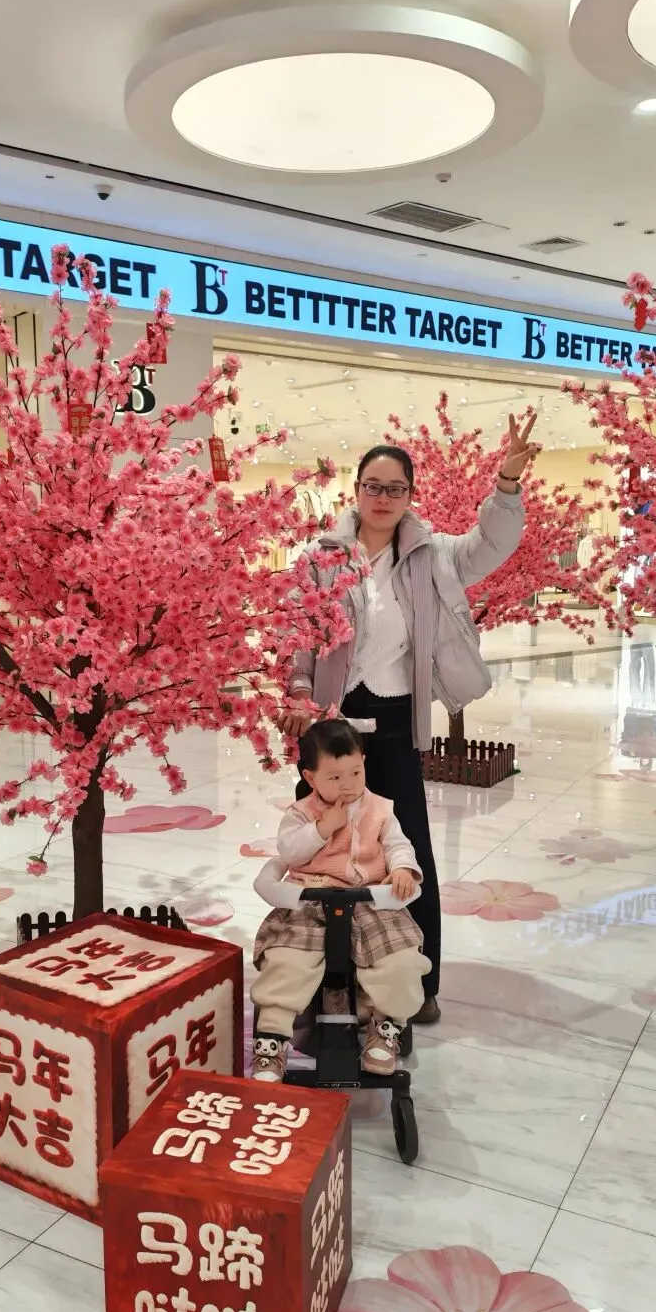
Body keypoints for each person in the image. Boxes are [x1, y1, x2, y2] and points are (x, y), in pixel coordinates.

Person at [278, 416, 536, 1023]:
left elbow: (491, 545)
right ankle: (321, 977)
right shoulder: (320, 557)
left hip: (395, 721)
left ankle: (417, 983)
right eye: (373, 486)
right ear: (356, 490)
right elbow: (299, 631)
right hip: (331, 722)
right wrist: (297, 692)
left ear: (410, 495)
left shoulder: (432, 553)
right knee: (320, 844)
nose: (383, 498)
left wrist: (506, 483)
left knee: (406, 847)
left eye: (395, 488)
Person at [250, 719, 430, 1083]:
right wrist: (322, 829)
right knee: (286, 960)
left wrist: (402, 869)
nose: (347, 784)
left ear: (364, 762)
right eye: (334, 777)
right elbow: (289, 852)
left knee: (401, 959)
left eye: (355, 772)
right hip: (310, 900)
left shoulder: (380, 809)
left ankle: (387, 1026)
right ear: (310, 778)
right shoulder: (300, 814)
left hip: (371, 900)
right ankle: (272, 1040)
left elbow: (398, 844)